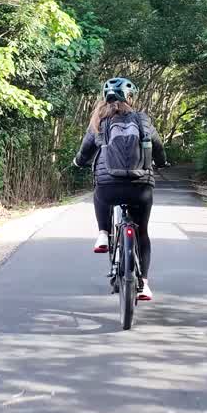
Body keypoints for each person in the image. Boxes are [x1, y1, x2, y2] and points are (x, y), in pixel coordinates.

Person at [72, 77, 168, 301]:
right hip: (140, 187)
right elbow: (158, 147)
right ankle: (143, 284)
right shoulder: (142, 120)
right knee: (142, 232)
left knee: (100, 194)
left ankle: (103, 234)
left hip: (109, 186)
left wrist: (77, 162)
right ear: (130, 98)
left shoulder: (99, 122)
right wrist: (162, 163)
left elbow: (84, 151)